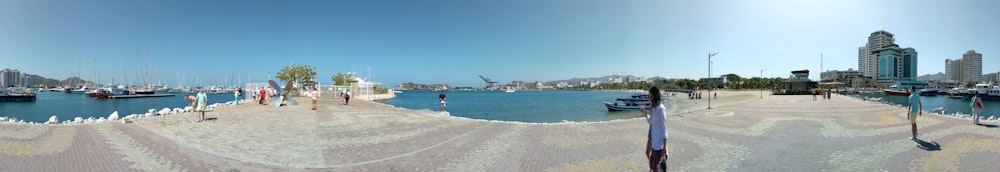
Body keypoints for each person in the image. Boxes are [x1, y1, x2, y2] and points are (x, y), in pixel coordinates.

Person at [641, 87, 668, 172]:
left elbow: (664, 130)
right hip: (654, 146)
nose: (649, 97)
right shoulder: (655, 108)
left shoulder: (661, 109)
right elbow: (650, 120)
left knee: (657, 169)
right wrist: (645, 113)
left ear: (654, 95)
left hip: (659, 147)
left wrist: (663, 151)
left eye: (650, 95)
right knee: (652, 166)